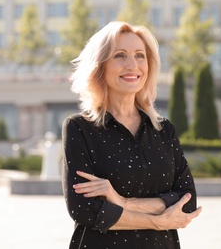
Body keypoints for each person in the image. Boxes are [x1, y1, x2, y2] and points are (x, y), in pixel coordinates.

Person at [61, 21, 202, 249]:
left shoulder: (164, 130)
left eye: (140, 55)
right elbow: (85, 210)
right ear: (100, 66)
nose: (132, 65)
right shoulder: (80, 129)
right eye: (120, 55)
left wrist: (121, 202)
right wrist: (159, 220)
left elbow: (187, 200)